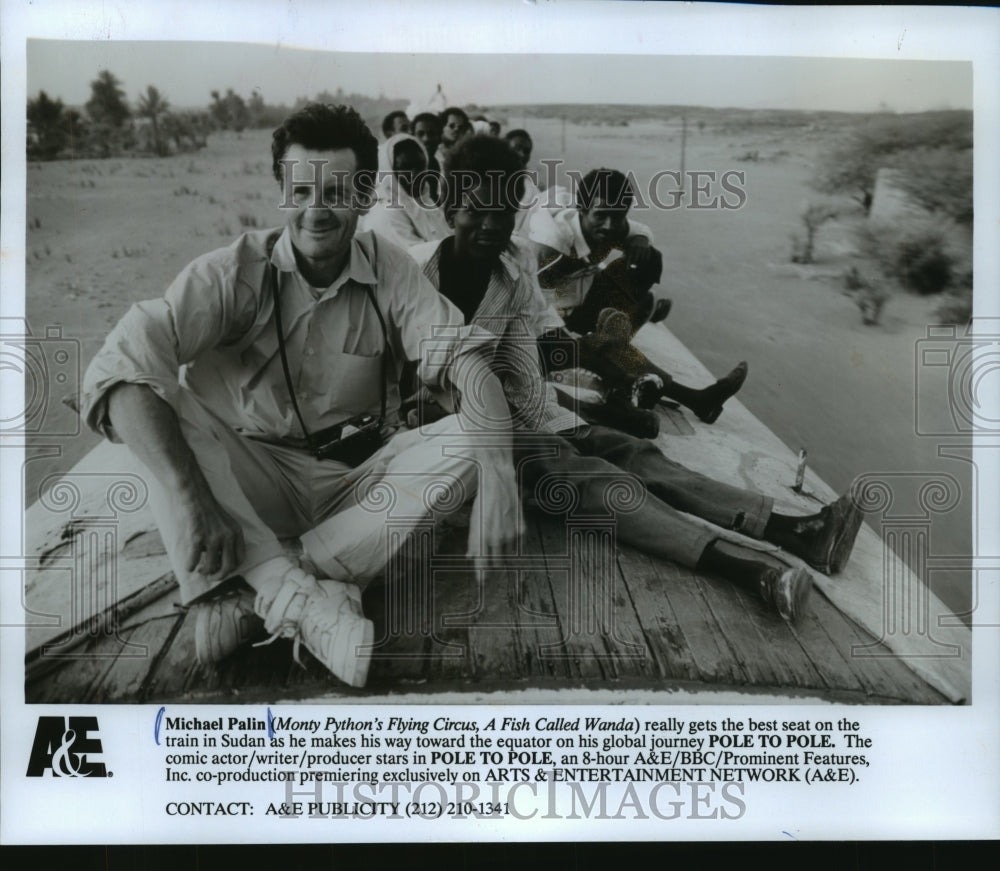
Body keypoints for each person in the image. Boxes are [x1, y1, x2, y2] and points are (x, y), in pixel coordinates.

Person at [80, 104, 521, 688]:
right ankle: (302, 596)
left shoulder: (389, 268)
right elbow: (119, 365)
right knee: (149, 391)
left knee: (480, 430)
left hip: (353, 478)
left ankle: (264, 584)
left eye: (337, 192)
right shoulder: (232, 273)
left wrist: (500, 473)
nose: (317, 210)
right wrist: (193, 500)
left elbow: (465, 358)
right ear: (282, 193)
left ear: (365, 197)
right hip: (248, 482)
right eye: (302, 190)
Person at [406, 135, 865, 624]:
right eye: (477, 211)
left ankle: (792, 530)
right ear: (450, 207)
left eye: (503, 212)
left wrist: (609, 358)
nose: (492, 225)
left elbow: (545, 341)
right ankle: (752, 573)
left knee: (630, 450)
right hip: (454, 433)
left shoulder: (513, 268)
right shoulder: (413, 273)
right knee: (592, 477)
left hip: (525, 410)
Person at [530, 166, 747, 425]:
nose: (610, 225)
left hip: (570, 309)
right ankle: (695, 399)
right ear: (581, 209)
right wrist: (583, 346)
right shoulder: (549, 246)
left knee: (649, 260)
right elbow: (530, 309)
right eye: (601, 215)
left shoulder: (604, 220)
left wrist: (640, 241)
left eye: (618, 215)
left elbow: (638, 230)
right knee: (605, 347)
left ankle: (614, 349)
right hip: (533, 329)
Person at [360, 133, 449, 249]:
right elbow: (417, 257)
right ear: (390, 171)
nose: (416, 174)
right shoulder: (385, 211)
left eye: (420, 165)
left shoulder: (424, 202)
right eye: (406, 167)